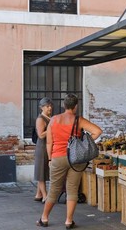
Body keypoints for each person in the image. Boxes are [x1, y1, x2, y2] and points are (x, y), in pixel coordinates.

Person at [37, 94, 102, 228]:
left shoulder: (54, 120)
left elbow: (49, 142)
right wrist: (85, 143)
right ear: (76, 106)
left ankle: (44, 218)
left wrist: (50, 158)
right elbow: (97, 131)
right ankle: (68, 221)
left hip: (57, 157)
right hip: (76, 158)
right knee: (72, 189)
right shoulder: (79, 120)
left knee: (54, 189)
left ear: (64, 105)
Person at [33, 97, 53, 203]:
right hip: (42, 147)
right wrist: (51, 128)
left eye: (50, 106)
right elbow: (40, 135)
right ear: (42, 108)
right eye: (47, 106)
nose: (50, 108)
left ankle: (38, 194)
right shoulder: (40, 119)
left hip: (49, 147)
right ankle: (45, 196)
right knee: (41, 173)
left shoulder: (50, 118)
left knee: (44, 171)